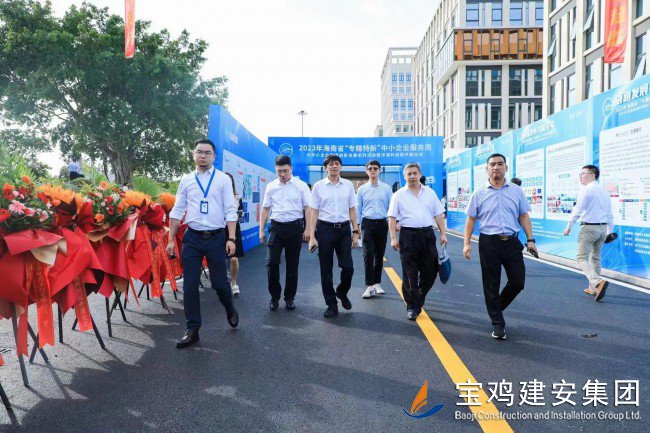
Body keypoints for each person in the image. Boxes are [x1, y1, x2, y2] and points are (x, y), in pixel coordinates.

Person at [167, 138, 239, 349]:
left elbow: (230, 209)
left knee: (219, 283)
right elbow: (177, 210)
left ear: (214, 156)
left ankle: (229, 308)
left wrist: (231, 238)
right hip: (192, 238)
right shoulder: (186, 180)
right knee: (190, 285)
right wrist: (170, 240)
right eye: (199, 152)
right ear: (193, 155)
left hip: (216, 238)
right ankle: (193, 329)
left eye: (207, 153)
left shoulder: (223, 179)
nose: (203, 156)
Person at [463, 153, 538, 341]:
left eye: (500, 164)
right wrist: (466, 243)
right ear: (487, 169)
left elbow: (524, 216)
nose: (496, 167)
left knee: (518, 282)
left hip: (512, 242)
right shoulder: (479, 193)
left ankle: (496, 308)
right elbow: (471, 219)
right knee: (491, 284)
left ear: (506, 167)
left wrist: (531, 240)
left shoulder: (516, 191)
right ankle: (498, 323)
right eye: (492, 164)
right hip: (489, 242)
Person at [388, 162, 447, 321]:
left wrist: (443, 234)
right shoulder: (398, 195)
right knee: (410, 274)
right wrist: (393, 237)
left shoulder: (430, 193)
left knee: (431, 272)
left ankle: (419, 296)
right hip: (408, 236)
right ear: (404, 176)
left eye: (415, 173)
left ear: (420, 174)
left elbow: (438, 215)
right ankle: (412, 306)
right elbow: (392, 217)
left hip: (427, 235)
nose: (412, 176)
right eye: (409, 174)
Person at [308, 154, 360, 317]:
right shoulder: (318, 186)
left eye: (337, 163)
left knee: (348, 267)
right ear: (326, 168)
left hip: (344, 230)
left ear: (341, 167)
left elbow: (352, 209)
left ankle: (342, 292)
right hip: (325, 229)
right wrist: (312, 236)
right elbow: (314, 211)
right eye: (331, 164)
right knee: (326, 270)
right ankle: (331, 304)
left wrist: (355, 232)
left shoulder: (348, 185)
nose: (334, 166)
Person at [259, 155, 311, 311]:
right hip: (276, 228)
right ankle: (274, 296)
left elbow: (308, 208)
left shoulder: (301, 186)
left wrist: (308, 229)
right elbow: (265, 209)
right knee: (271, 262)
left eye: (285, 171)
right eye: (279, 171)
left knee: (292, 265)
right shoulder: (271, 186)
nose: (282, 174)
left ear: (291, 169)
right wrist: (261, 229)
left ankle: (289, 298)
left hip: (295, 228)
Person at [563, 165, 613, 301]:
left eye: (583, 173)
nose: (580, 176)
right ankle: (594, 288)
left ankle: (597, 282)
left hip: (589, 228)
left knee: (581, 258)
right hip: (602, 229)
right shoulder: (604, 191)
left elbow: (578, 209)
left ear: (593, 175)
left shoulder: (586, 190)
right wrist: (610, 230)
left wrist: (569, 226)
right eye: (580, 174)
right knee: (595, 258)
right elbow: (609, 213)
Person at [357, 160, 392, 299]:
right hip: (367, 224)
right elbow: (358, 209)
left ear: (379, 170)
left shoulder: (386, 188)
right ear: (366, 171)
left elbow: (390, 207)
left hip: (382, 223)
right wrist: (357, 227)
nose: (372, 170)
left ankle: (377, 283)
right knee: (368, 254)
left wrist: (393, 223)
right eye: (370, 168)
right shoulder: (362, 189)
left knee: (379, 255)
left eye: (375, 168)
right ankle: (369, 286)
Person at [225, 172, 245, 297]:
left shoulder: (237, 197)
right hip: (218, 229)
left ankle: (234, 283)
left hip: (233, 229)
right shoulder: (215, 195)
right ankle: (222, 282)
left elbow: (241, 213)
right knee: (218, 259)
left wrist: (236, 215)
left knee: (234, 259)